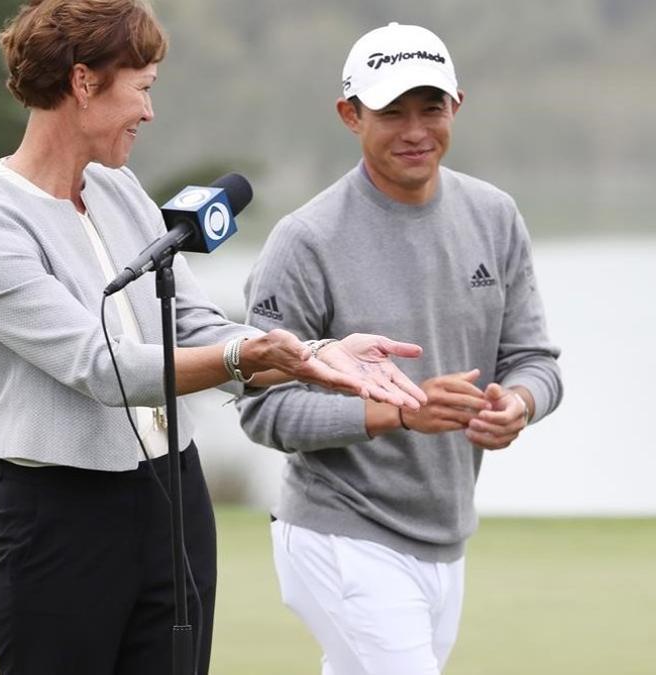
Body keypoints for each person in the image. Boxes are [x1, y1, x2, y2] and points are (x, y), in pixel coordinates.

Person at [0, 2, 427, 673]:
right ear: (84, 83)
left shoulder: (119, 190)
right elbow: (100, 367)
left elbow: (194, 323)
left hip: (175, 499)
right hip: (62, 518)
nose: (148, 111)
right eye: (142, 87)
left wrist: (313, 354)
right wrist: (244, 357)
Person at [237, 22, 564, 675]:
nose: (416, 129)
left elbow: (536, 360)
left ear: (457, 106)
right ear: (350, 115)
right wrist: (395, 412)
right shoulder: (305, 240)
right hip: (339, 530)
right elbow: (263, 411)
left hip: (445, 538)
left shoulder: (494, 215)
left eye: (431, 108)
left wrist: (519, 404)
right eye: (392, 112)